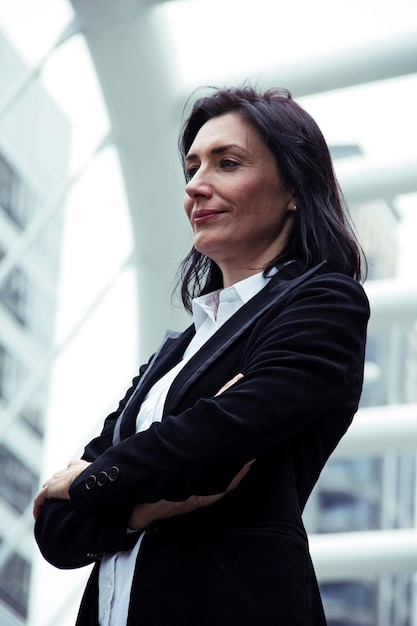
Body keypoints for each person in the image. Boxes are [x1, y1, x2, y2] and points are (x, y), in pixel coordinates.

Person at [34, 85, 370, 626]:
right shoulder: (177, 352)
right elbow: (57, 531)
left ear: (294, 189)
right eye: (191, 168)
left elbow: (219, 437)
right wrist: (150, 502)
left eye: (227, 163)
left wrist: (92, 480)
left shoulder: (325, 303)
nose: (196, 186)